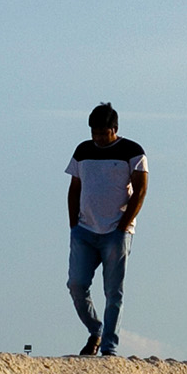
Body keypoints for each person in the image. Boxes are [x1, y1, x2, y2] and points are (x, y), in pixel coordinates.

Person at [63, 103, 147, 357]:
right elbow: (75, 186)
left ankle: (109, 347)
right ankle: (95, 330)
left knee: (113, 291)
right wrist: (73, 224)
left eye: (103, 133)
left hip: (116, 231)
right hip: (85, 230)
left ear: (115, 129)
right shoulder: (83, 150)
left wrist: (123, 225)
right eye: (94, 133)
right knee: (76, 285)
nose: (98, 138)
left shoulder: (132, 151)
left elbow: (141, 189)